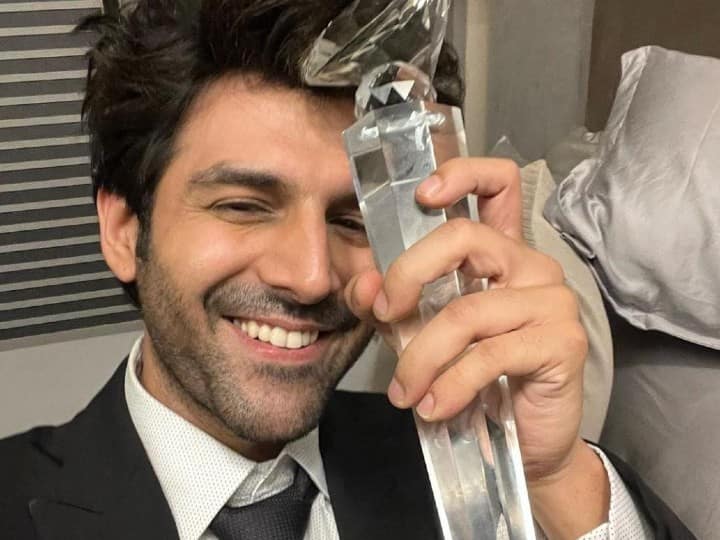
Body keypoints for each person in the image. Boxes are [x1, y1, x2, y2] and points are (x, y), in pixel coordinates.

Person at [0, 1, 693, 539]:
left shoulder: (460, 461)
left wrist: (552, 478)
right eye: (244, 206)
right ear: (124, 229)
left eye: (354, 220)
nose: (310, 276)